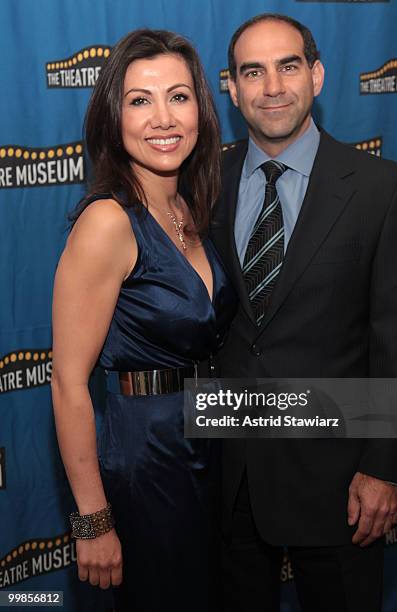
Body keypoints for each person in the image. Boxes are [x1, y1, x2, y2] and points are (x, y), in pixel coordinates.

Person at [210, 13, 397, 612]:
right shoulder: (204, 183)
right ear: (231, 88)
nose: (272, 86)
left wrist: (383, 469)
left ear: (318, 75)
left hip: (340, 482)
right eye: (252, 72)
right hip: (228, 475)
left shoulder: (384, 188)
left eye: (288, 66)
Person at [51, 29, 236, 612]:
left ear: (201, 113)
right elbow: (69, 382)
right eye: (139, 100)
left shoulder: (189, 208)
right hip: (148, 459)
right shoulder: (109, 220)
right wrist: (92, 520)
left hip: (211, 447)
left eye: (179, 97)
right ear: (114, 118)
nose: (163, 118)